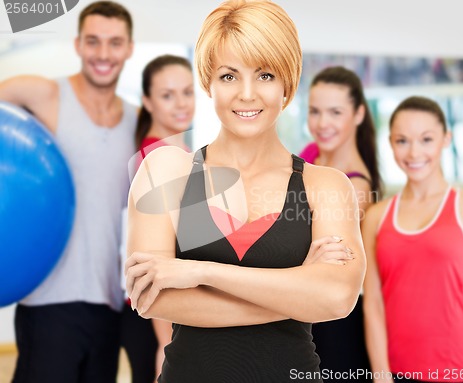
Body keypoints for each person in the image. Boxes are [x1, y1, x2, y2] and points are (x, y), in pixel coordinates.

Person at [125, 1, 366, 382]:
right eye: (228, 76)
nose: (247, 94)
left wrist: (200, 272)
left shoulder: (327, 186)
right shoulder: (166, 169)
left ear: (289, 80)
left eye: (266, 75)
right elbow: (152, 296)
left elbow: (338, 298)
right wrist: (299, 288)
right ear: (208, 81)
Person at [0, 2, 136, 382]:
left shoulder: (135, 119)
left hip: (109, 304)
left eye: (114, 43)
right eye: (93, 42)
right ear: (78, 45)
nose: (103, 54)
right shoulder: (46, 94)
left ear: (129, 48)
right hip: (48, 303)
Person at [362, 96, 463, 383]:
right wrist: (381, 375)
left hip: (458, 370)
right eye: (402, 141)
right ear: (390, 143)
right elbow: (373, 303)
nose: (414, 152)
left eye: (426, 139)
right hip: (395, 372)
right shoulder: (376, 216)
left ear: (445, 139)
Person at [299, 66, 381, 381]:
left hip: (336, 324)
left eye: (335, 112)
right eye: (315, 111)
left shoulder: (357, 187)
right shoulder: (309, 156)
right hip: (304, 313)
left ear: (359, 114)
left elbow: (325, 270)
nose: (322, 123)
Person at [120, 54, 195, 383]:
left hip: (162, 303)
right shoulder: (156, 157)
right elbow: (154, 255)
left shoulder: (176, 152)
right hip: (156, 308)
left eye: (187, 91)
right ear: (147, 102)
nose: (181, 103)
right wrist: (166, 340)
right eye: (167, 95)